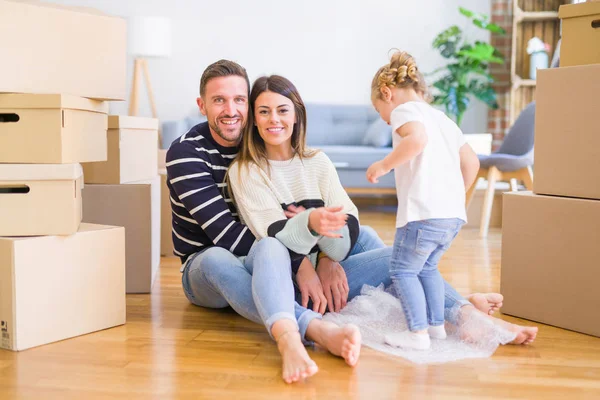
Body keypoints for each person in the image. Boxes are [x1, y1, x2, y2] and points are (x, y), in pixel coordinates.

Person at [166, 61, 534, 383]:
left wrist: (327, 260)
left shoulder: (312, 159)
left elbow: (348, 218)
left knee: (384, 246)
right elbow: (233, 236)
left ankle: (457, 310)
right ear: (202, 105)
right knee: (238, 253)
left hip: (290, 260)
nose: (232, 110)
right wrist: (304, 264)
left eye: (239, 100)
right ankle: (310, 329)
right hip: (221, 264)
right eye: (219, 101)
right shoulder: (197, 155)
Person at [365, 50, 477, 350]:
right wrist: (453, 196)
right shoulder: (442, 119)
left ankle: (417, 333)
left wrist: (383, 165)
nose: (384, 118)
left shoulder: (404, 111)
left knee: (403, 270)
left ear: (387, 93)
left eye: (379, 111)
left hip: (423, 213)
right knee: (428, 269)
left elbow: (416, 140)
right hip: (451, 216)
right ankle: (436, 326)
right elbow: (472, 163)